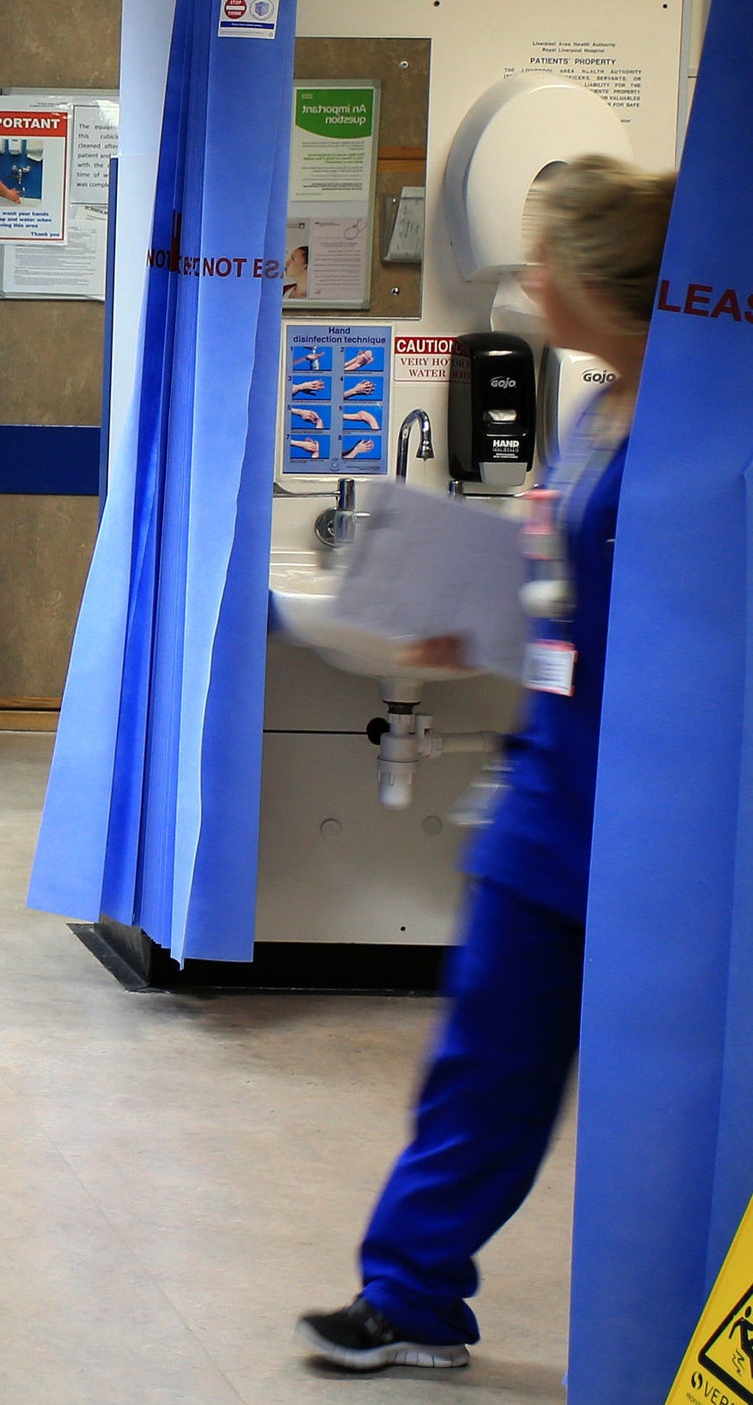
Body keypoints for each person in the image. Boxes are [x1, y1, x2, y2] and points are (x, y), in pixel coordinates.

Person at [298, 155, 677, 1373]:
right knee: (486, 1057)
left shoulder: (697, 429)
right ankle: (408, 1293)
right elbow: (566, 586)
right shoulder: (594, 406)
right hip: (552, 784)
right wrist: (481, 618)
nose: (526, 279)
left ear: (606, 282)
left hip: (659, 806)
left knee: (665, 1087)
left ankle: (669, 1310)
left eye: (545, 259)